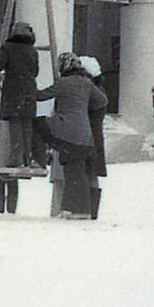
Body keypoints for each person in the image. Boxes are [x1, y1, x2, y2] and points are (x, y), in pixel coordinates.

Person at [34, 52, 106, 220]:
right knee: (79, 171)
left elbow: (41, 96)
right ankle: (83, 210)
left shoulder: (63, 82)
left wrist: (28, 88)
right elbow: (102, 100)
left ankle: (36, 159)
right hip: (85, 134)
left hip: (66, 129)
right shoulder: (87, 83)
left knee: (36, 125)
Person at [0, 21, 40, 214]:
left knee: (14, 127)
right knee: (25, 129)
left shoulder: (8, 47)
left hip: (14, 93)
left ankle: (16, 158)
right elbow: (35, 71)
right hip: (28, 93)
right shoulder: (33, 51)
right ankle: (25, 157)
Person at [80, 56, 109, 220]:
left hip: (88, 135)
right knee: (92, 174)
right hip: (95, 136)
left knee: (87, 173)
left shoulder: (92, 92)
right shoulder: (99, 91)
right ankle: (91, 210)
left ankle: (89, 210)